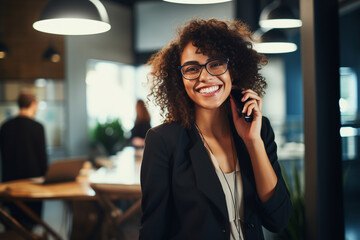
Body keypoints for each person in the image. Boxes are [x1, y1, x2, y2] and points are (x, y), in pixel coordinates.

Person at [139, 18, 292, 240]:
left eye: (216, 63)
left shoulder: (259, 129)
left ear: (233, 70)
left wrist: (253, 142)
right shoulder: (163, 141)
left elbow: (278, 219)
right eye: (191, 68)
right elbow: (153, 231)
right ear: (179, 78)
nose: (205, 76)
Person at [0, 91, 48, 230]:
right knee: (29, 225)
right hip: (33, 186)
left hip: (10, 186)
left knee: (13, 226)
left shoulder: (5, 127)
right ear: (33, 104)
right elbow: (42, 158)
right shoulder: (38, 127)